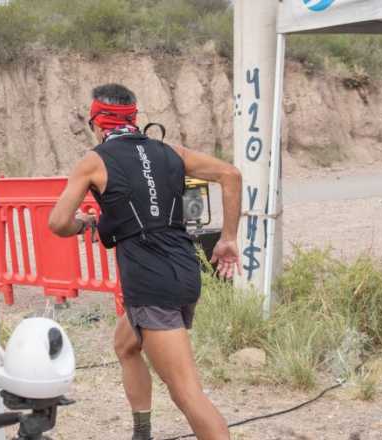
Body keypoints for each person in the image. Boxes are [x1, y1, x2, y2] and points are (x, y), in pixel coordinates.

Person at [48, 84, 241, 440]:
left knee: (186, 393)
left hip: (150, 284)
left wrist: (85, 225)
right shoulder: (171, 151)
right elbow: (230, 175)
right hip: (183, 273)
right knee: (125, 345)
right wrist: (228, 239)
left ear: (96, 122)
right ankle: (142, 432)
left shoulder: (94, 160)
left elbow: (58, 222)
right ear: (135, 119)